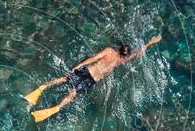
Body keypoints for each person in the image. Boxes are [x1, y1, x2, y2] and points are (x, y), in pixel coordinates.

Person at [24, 35, 162, 122]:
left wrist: (79, 65)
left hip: (87, 71)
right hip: (92, 80)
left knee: (65, 79)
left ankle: (42, 87)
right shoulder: (122, 61)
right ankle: (57, 107)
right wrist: (151, 42)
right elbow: (138, 53)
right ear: (124, 55)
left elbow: (94, 58)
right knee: (73, 94)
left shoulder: (109, 51)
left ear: (119, 48)